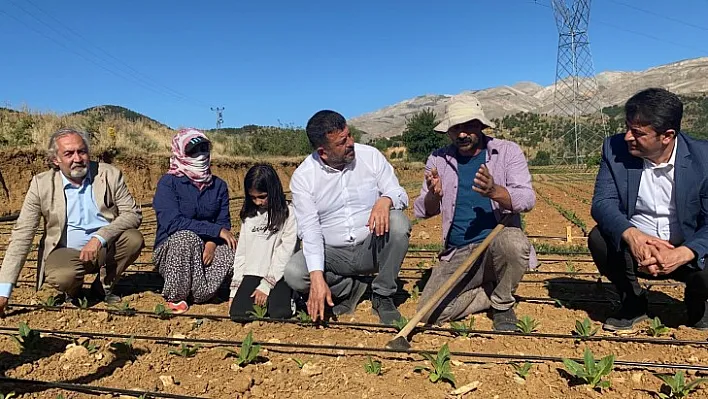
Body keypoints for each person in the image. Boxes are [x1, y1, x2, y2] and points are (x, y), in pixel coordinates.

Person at [589, 88, 708, 331]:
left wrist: (684, 253)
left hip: (688, 249)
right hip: (636, 250)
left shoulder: (703, 158)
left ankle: (698, 302)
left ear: (667, 136)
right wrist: (634, 237)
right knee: (599, 238)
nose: (627, 137)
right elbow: (603, 202)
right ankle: (633, 301)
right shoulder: (614, 150)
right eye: (627, 127)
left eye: (638, 132)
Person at [413, 97, 536, 331]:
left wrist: (495, 191)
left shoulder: (507, 152)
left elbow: (528, 199)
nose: (461, 134)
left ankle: (502, 304)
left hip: (495, 245)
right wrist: (433, 195)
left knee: (513, 243)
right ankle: (490, 291)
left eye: (468, 126)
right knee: (430, 312)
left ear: (480, 125)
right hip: (458, 252)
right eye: (455, 128)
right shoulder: (437, 159)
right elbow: (422, 211)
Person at [284, 110, 411, 325]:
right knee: (295, 272)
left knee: (398, 222)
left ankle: (382, 295)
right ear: (323, 152)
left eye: (350, 135)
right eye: (343, 142)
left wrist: (386, 200)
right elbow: (310, 230)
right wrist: (316, 278)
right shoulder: (304, 177)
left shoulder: (370, 156)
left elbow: (400, 193)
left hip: (370, 246)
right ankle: (351, 288)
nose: (351, 143)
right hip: (333, 255)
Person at [0, 127, 144, 315]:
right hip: (67, 252)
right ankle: (73, 292)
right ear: (55, 160)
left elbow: (133, 213)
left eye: (81, 151)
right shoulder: (41, 184)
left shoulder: (108, 175)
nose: (77, 159)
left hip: (105, 247)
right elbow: (22, 235)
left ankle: (102, 288)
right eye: (69, 153)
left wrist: (99, 238)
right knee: (62, 275)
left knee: (133, 239)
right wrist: (4, 291)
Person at [152, 128, 237, 314]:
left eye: (204, 149)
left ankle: (199, 293)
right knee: (186, 238)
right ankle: (176, 295)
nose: (200, 155)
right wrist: (214, 231)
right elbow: (172, 223)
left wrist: (211, 244)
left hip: (207, 247)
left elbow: (223, 222)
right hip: (172, 249)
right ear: (180, 153)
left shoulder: (219, 186)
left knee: (231, 249)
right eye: (193, 151)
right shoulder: (168, 183)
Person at [229, 164, 297, 319]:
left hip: (278, 273)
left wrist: (267, 285)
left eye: (262, 197)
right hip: (253, 272)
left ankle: (291, 298)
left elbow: (285, 252)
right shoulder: (249, 216)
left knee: (279, 313)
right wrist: (234, 291)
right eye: (253, 197)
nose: (258, 202)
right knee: (238, 314)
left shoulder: (288, 214)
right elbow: (242, 254)